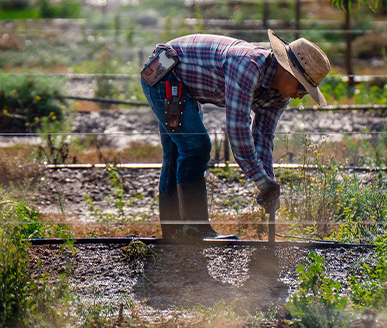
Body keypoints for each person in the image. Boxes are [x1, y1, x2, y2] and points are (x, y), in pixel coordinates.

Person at [139, 30, 331, 239]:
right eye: (302, 87)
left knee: (179, 152)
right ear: (287, 70)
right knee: (195, 147)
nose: (300, 96)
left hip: (184, 84)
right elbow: (237, 129)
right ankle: (196, 231)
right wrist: (261, 181)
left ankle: (175, 235)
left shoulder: (279, 96)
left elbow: (263, 138)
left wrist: (268, 182)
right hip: (165, 72)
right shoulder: (247, 65)